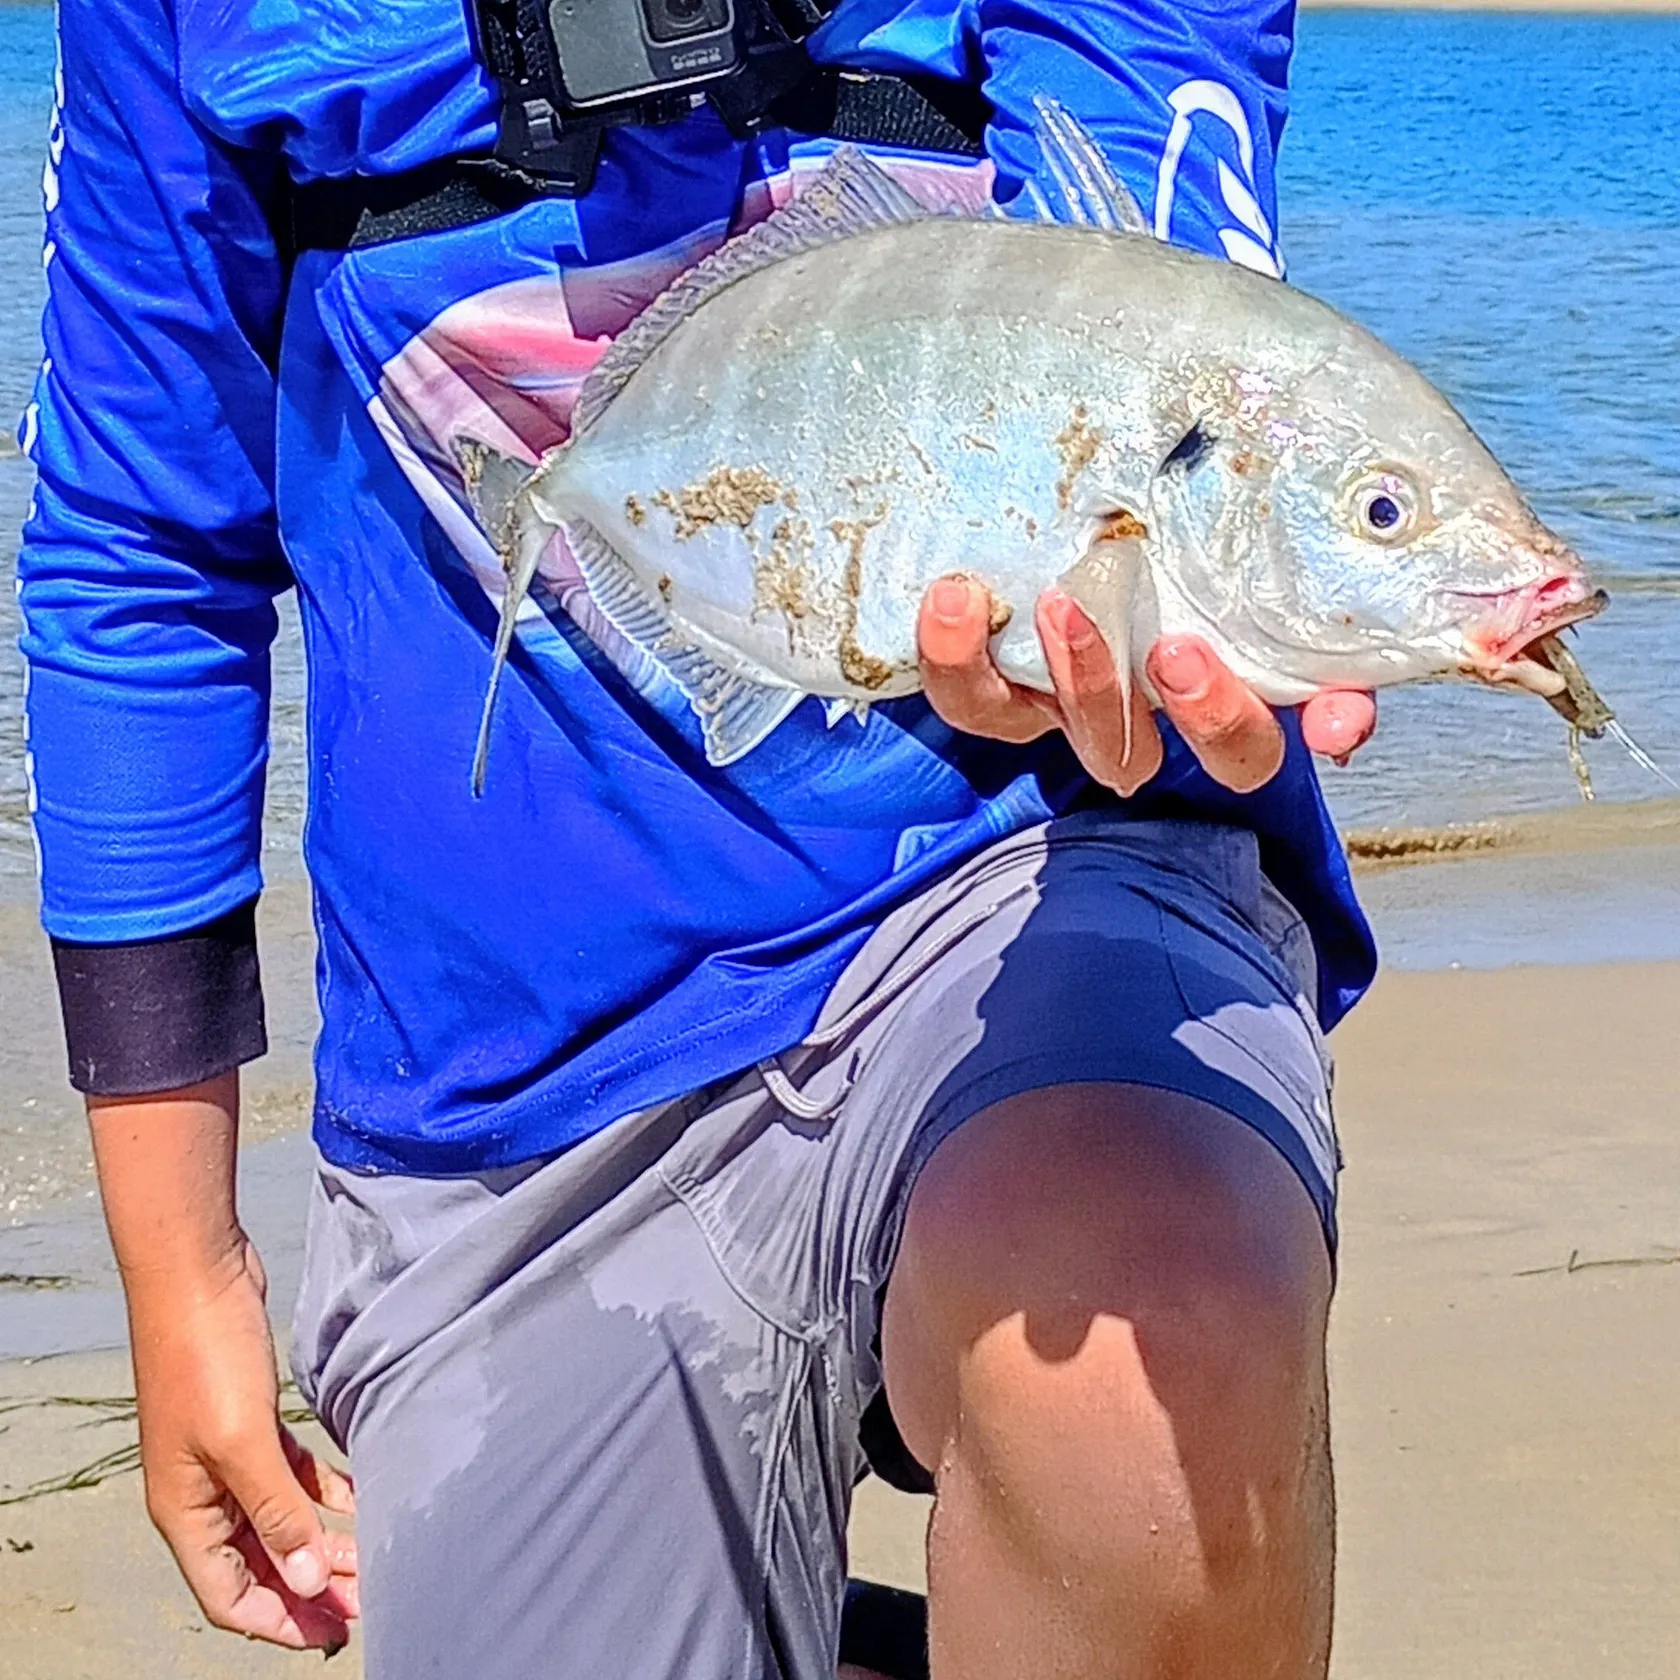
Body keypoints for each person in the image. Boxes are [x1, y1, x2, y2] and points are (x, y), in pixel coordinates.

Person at [19, 0, 1380, 1674]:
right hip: (513, 1064)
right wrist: (185, 1274)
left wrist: (1141, 635)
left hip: (1019, 880)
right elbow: (140, 554)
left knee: (1146, 1354)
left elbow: (1148, 337)